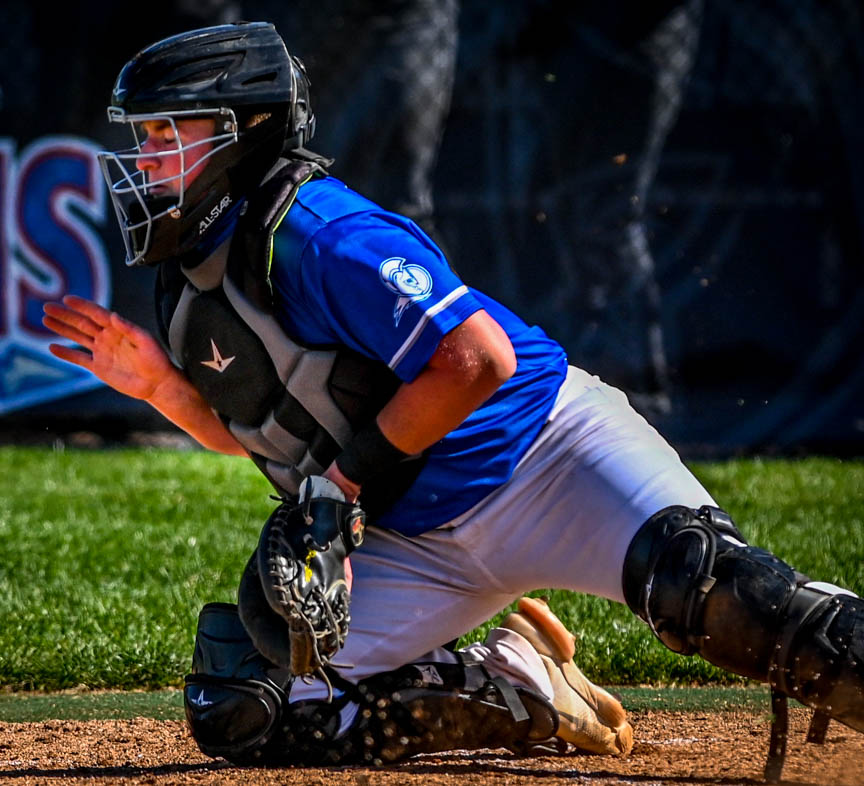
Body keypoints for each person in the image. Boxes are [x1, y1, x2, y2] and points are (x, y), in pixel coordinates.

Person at [43, 22, 864, 778]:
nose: (143, 158)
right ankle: (523, 690)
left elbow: (478, 361)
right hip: (416, 535)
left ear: (242, 133)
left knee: (712, 595)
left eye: (164, 133)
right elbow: (250, 436)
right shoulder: (191, 276)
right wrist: (158, 386)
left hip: (542, 454)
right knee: (250, 710)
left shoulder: (322, 234)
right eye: (140, 135)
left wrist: (343, 484)